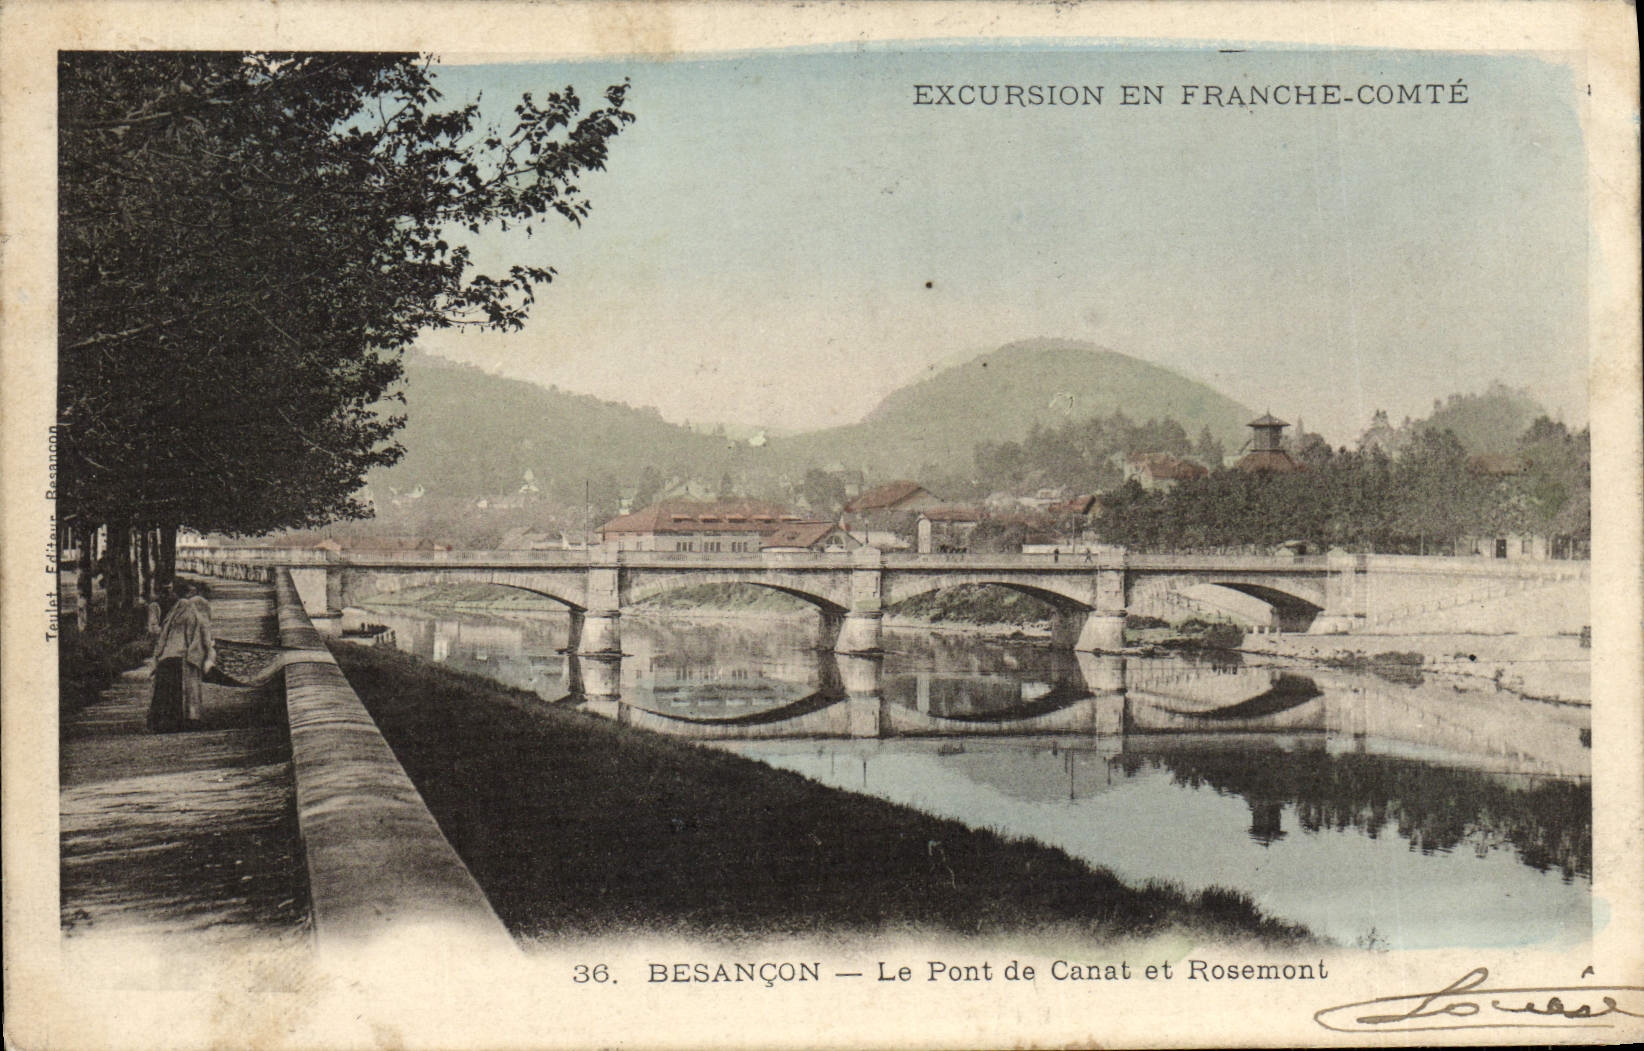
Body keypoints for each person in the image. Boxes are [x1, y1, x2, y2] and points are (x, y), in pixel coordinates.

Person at [147, 580, 215, 732]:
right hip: (181, 655)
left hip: (167, 655)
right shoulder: (193, 607)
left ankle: (160, 723)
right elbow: (202, 633)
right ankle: (183, 720)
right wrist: (206, 653)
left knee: (164, 690)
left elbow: (162, 634)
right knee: (180, 690)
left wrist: (158, 655)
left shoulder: (174, 609)